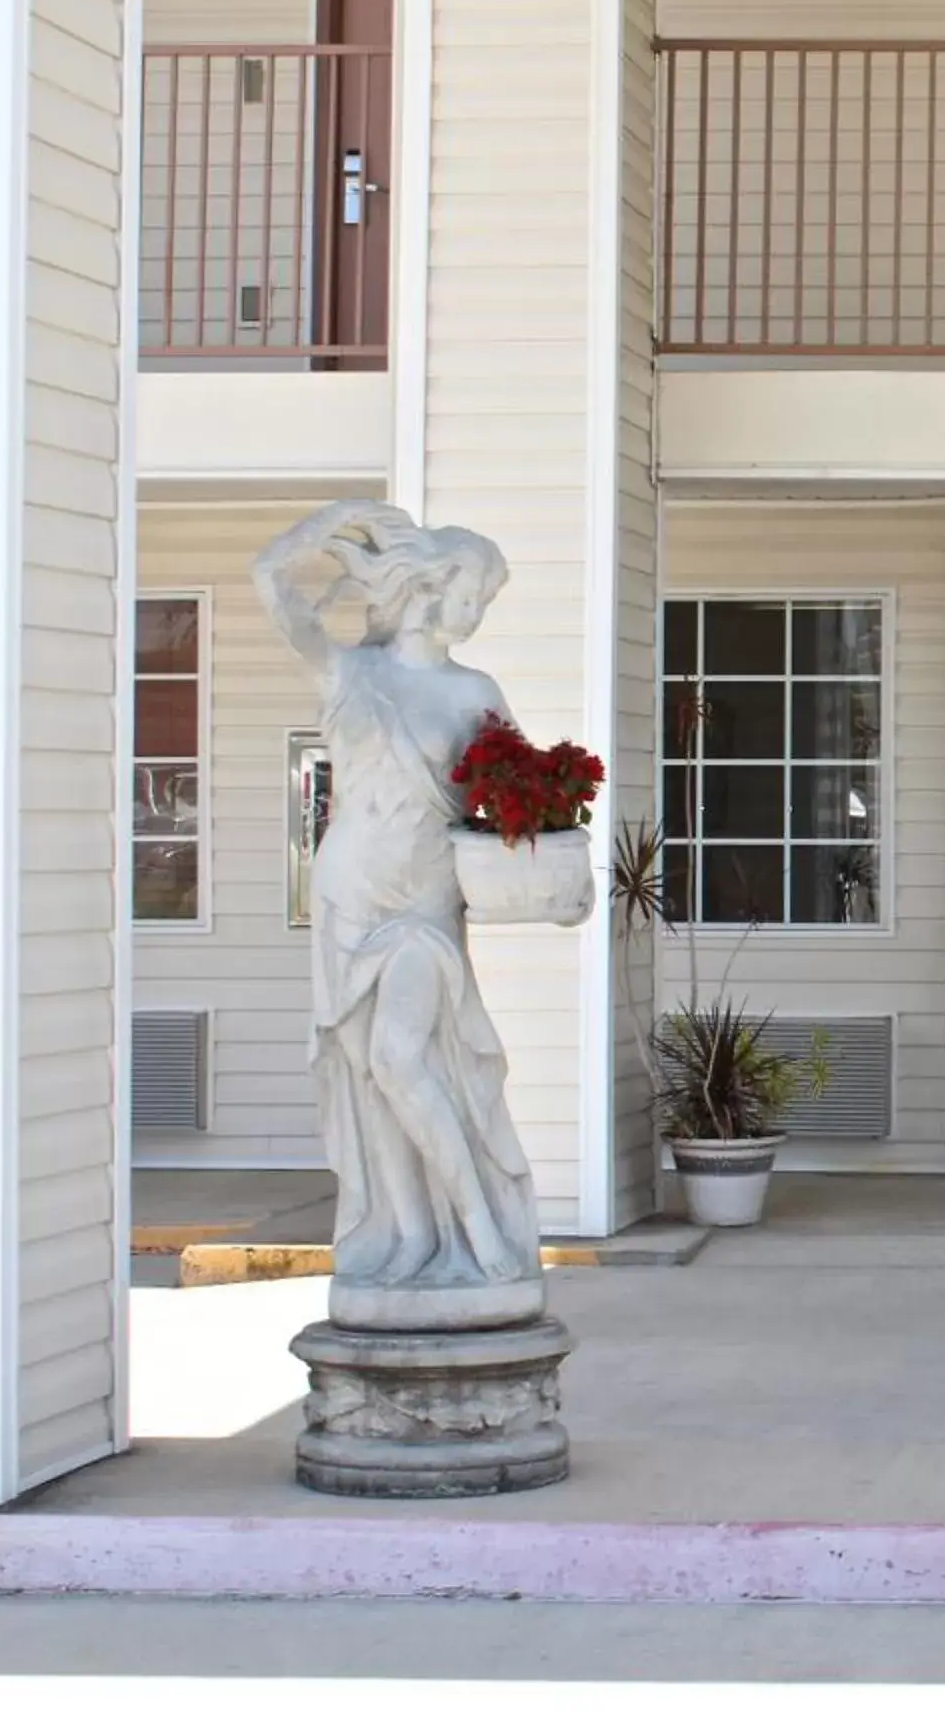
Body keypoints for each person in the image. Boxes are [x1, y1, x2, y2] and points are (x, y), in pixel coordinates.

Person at [253, 500, 544, 1326]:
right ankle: (411, 1235)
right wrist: (326, 527)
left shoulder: (474, 692)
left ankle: (480, 1224)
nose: (477, 611)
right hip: (348, 892)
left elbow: (522, 799)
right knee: (369, 1077)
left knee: (401, 1058)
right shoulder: (354, 674)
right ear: (432, 584)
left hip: (424, 898)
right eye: (473, 593)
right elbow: (269, 583)